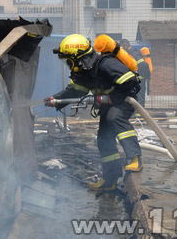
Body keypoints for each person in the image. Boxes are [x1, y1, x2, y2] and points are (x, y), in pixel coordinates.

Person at [44, 34, 143, 192]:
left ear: (78, 57)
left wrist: (114, 97)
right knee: (103, 138)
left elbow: (130, 80)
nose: (68, 65)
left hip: (124, 100)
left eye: (68, 61)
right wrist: (55, 99)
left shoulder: (106, 64)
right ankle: (110, 180)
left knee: (114, 117)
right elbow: (76, 90)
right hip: (108, 104)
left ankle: (135, 158)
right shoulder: (86, 71)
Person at [121, 39, 151, 108]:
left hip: (139, 79)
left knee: (139, 96)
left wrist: (147, 75)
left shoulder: (133, 54)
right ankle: (138, 112)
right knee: (138, 96)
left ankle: (139, 113)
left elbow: (144, 64)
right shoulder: (133, 53)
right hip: (138, 79)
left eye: (123, 48)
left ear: (126, 46)